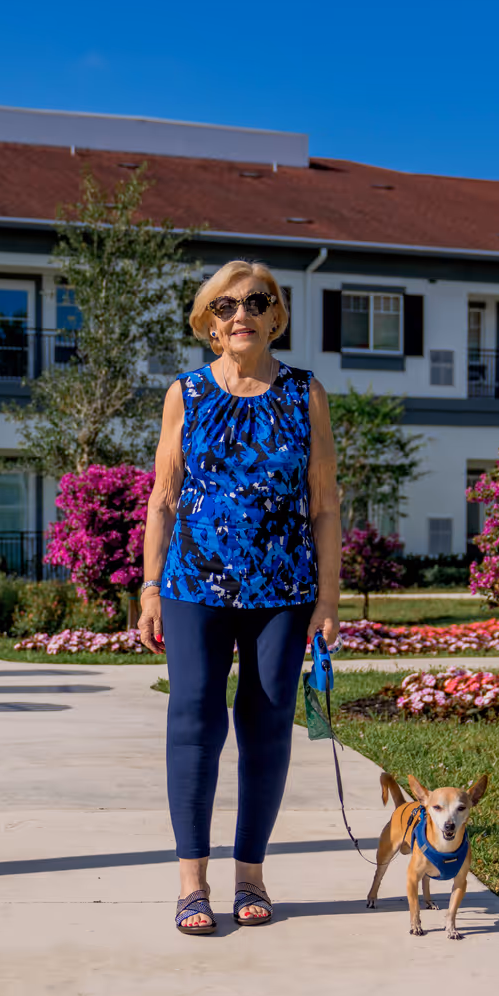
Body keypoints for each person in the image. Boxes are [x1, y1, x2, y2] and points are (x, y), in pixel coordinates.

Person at [137, 259, 342, 935]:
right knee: (195, 716)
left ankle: (250, 874)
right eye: (225, 307)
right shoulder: (186, 394)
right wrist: (149, 584)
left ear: (276, 314)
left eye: (256, 302)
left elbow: (324, 505)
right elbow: (164, 497)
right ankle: (191, 884)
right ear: (208, 322)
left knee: (266, 725)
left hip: (282, 586)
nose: (240, 315)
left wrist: (329, 597)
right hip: (194, 583)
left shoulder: (304, 394)